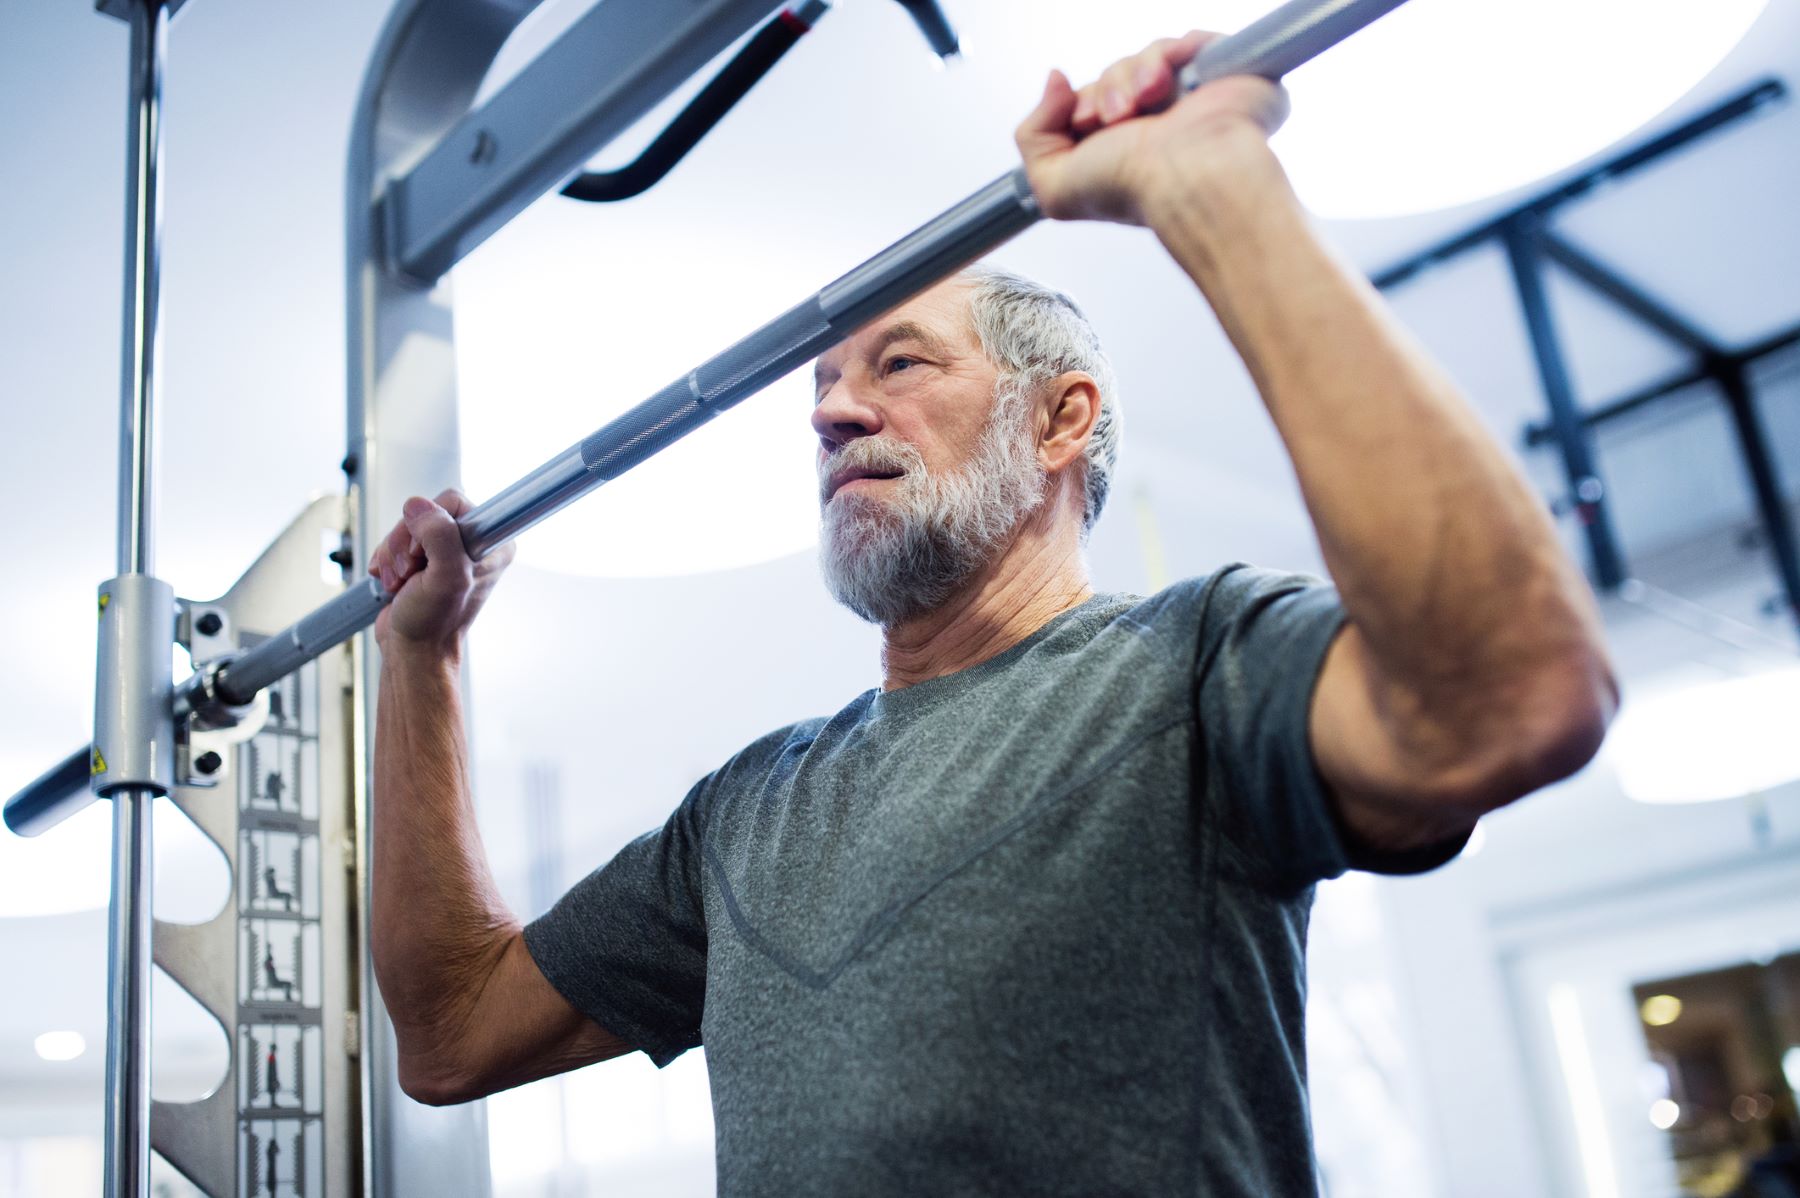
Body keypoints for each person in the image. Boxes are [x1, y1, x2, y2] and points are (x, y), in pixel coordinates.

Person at [365, 31, 1617, 1196]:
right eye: (821, 384)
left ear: (1060, 420)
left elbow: (1505, 698)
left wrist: (1213, 187)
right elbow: (451, 1028)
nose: (828, 412)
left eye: (898, 363)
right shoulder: (745, 815)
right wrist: (424, 659)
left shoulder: (1189, 671)